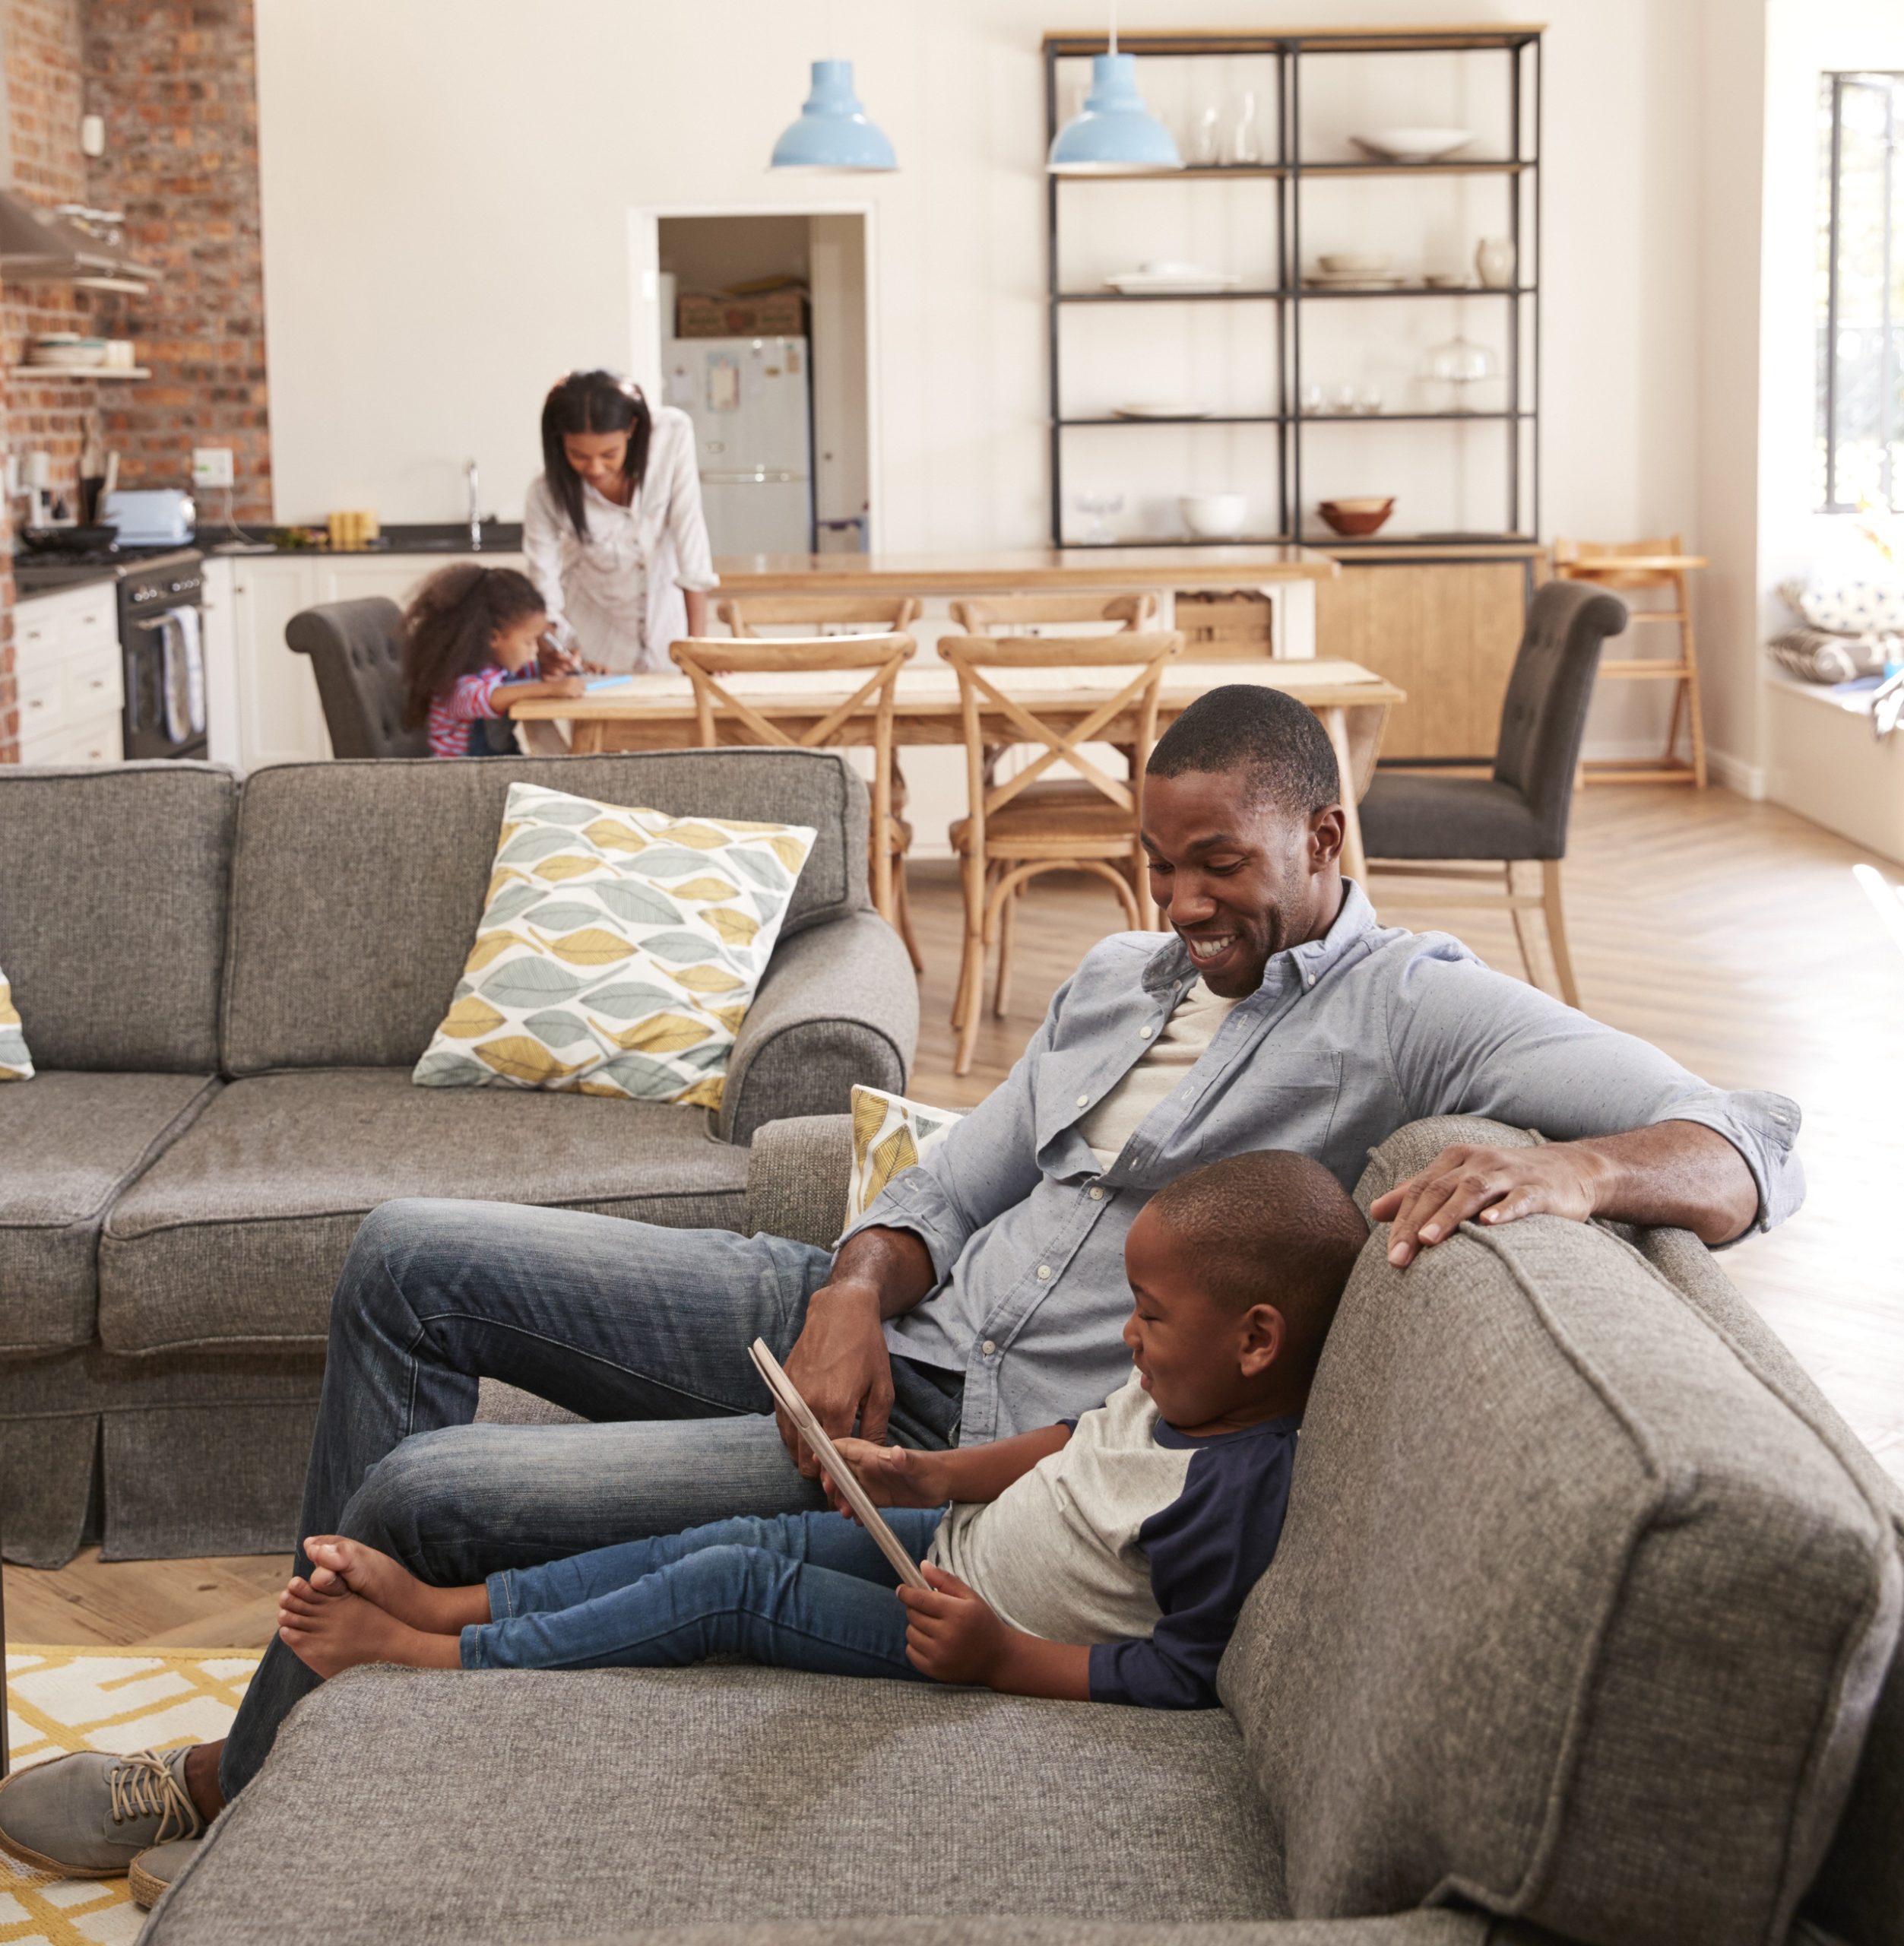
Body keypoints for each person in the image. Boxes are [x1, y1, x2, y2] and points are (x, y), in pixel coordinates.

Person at [0, 683, 1804, 1880]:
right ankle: (307, 1741)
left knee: (429, 1491)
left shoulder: (1409, 1003)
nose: (1182, 900)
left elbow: (1744, 1135)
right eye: (1160, 858)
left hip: (972, 1435)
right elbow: (963, 1166)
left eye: (1223, 864)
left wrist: (1576, 1167)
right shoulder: (1118, 974)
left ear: (1326, 840)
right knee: (402, 1252)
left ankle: (259, 1779)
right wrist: (857, 1277)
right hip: (877, 1318)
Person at [269, 1150, 1366, 1708]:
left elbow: (1178, 1677)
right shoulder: (1181, 1390)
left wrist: (1001, 1658)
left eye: (1150, 1316)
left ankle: (441, 1655)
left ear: (1257, 1341)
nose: (1128, 1336)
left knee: (734, 1592)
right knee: (733, 1539)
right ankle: (451, 1602)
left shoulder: (1237, 1488)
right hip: (943, 1547)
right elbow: (1074, 1442)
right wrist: (929, 1478)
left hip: (961, 1631)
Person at [521, 367, 718, 674]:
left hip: (668, 627)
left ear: (632, 427)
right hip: (595, 637)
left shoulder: (671, 435)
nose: (596, 468)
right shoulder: (545, 493)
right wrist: (553, 649)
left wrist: (699, 647)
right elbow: (543, 586)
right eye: (579, 455)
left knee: (672, 718)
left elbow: (690, 537)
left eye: (609, 454)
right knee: (602, 719)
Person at [398, 563, 584, 758]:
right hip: (459, 774)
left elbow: (529, 674)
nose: (534, 649)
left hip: (494, 764)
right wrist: (551, 689)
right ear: (494, 638)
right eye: (528, 642)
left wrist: (563, 668)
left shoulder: (497, 669)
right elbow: (488, 698)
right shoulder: (456, 682)